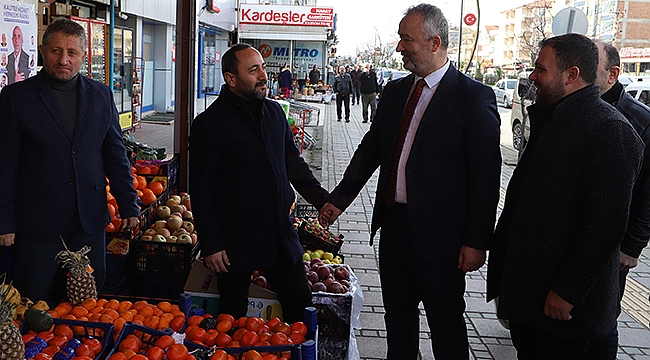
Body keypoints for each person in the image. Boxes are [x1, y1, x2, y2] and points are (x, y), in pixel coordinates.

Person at [319, 4, 502, 359]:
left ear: (435, 42)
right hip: (394, 230)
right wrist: (339, 198)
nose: (399, 47)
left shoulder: (473, 97)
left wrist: (477, 241)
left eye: (407, 39)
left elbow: (486, 176)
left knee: (446, 327)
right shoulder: (396, 91)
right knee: (397, 323)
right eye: (400, 38)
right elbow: (370, 150)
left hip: (443, 241)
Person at [486, 33, 644, 358]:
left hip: (566, 316)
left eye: (540, 70)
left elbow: (605, 225)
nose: (532, 77)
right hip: (532, 306)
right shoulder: (553, 119)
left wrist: (567, 290)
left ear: (571, 75)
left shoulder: (609, 130)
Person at [189, 43, 330, 323]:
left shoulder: (275, 114)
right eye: (253, 70)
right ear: (231, 79)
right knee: (234, 316)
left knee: (299, 305)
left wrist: (322, 200)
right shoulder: (209, 124)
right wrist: (211, 243)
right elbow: (201, 189)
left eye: (263, 67)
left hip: (279, 233)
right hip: (234, 241)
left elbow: (294, 165)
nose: (263, 75)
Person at [0, 19, 140, 302]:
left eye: (72, 52)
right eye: (56, 51)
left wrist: (129, 204)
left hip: (88, 223)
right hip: (37, 225)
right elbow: (5, 166)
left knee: (88, 305)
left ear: (83, 56)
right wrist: (4, 221)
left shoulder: (100, 95)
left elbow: (116, 156)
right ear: (42, 51)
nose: (63, 59)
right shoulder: (16, 98)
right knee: (31, 304)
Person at [587, 41, 650, 359]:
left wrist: (633, 245)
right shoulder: (570, 106)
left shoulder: (639, 120)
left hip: (614, 242)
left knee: (603, 315)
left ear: (613, 74)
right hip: (575, 236)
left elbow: (647, 192)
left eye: (591, 66)